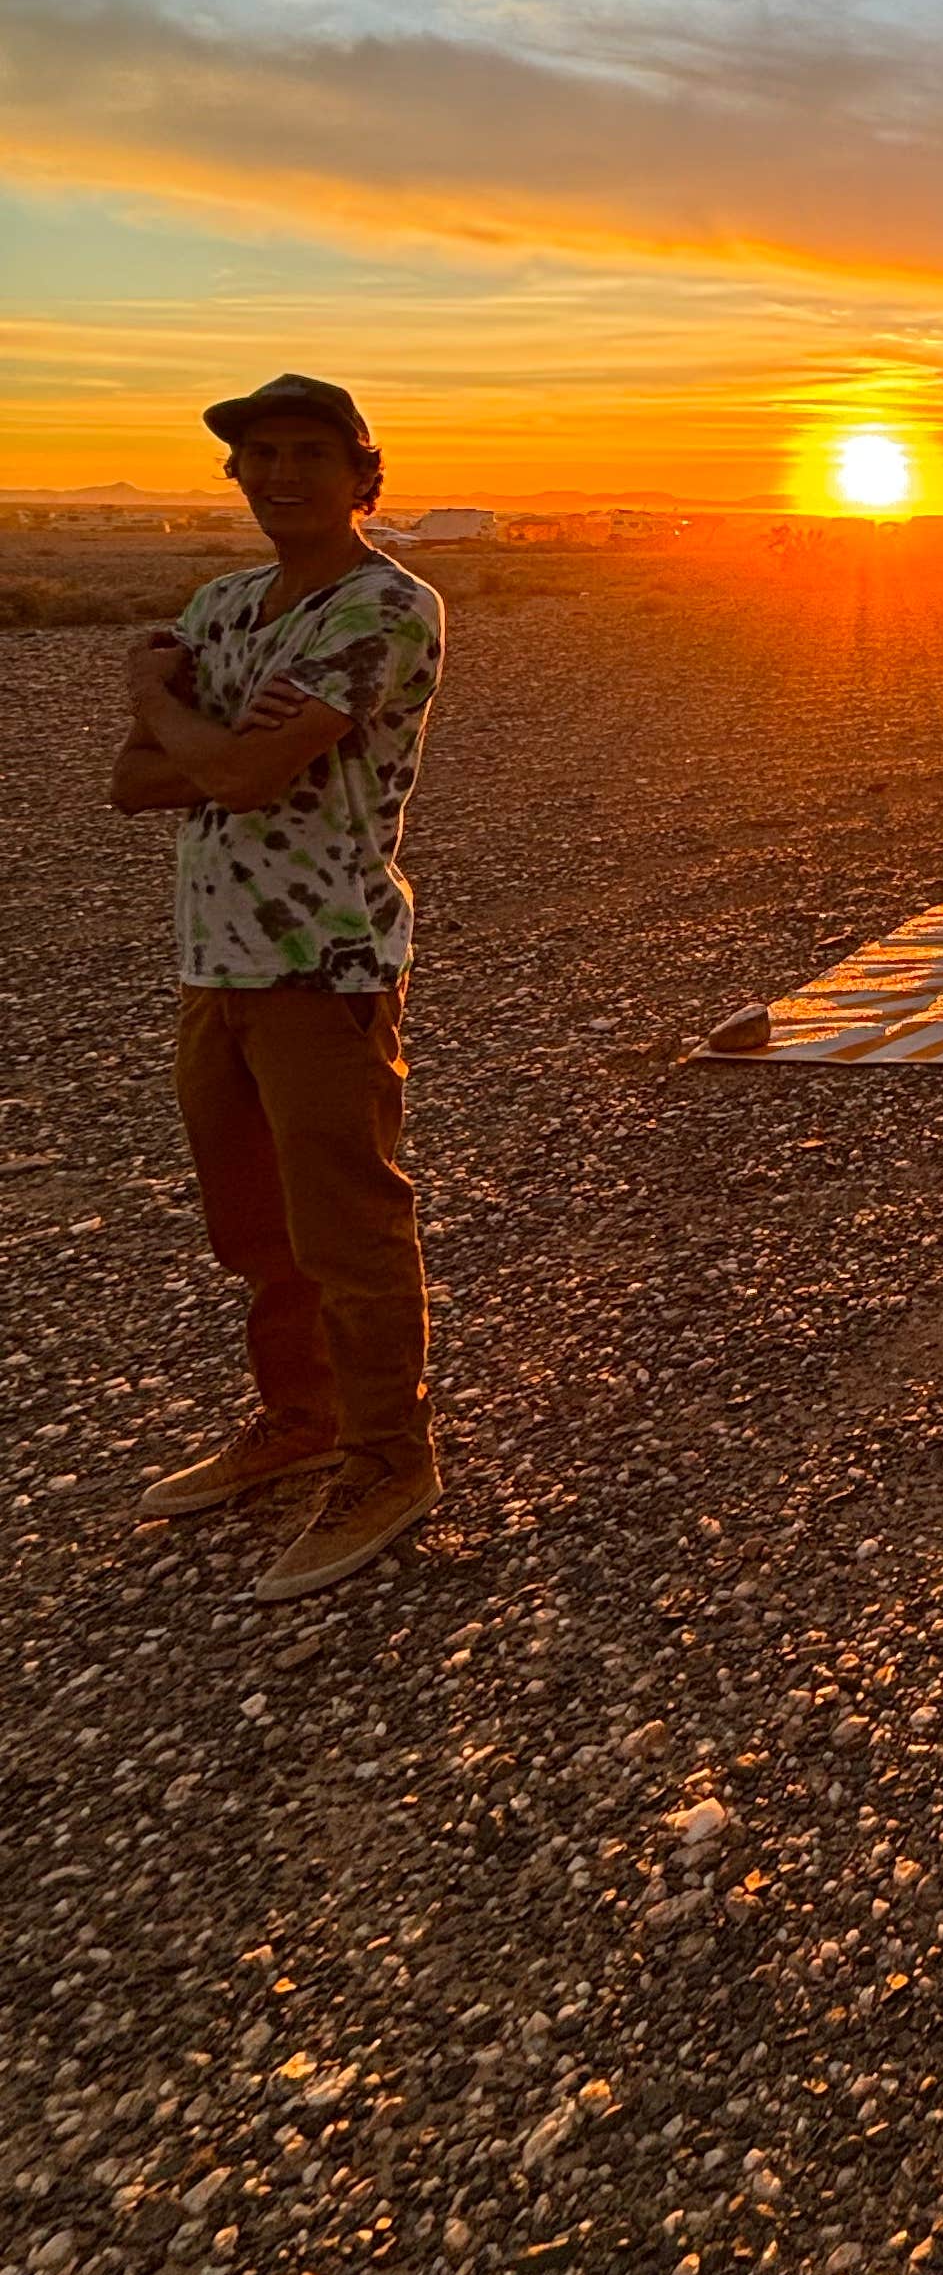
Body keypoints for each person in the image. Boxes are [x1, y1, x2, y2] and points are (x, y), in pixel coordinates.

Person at [108, 374, 448, 1603]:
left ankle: (389, 1458)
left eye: (311, 452)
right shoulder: (225, 602)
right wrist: (207, 748)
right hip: (215, 959)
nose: (283, 474)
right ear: (237, 476)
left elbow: (241, 775)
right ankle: (298, 1420)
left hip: (326, 959)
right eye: (260, 455)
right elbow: (135, 786)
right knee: (253, 1226)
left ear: (365, 474)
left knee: (348, 1225)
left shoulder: (388, 608)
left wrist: (159, 702)